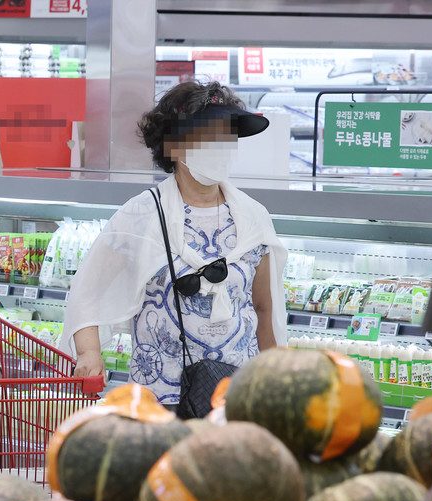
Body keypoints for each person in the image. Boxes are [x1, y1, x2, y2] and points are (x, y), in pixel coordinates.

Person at [60, 81, 288, 406]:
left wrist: (277, 380)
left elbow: (262, 307)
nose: (219, 147)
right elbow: (89, 289)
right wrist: (89, 353)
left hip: (237, 397)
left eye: (226, 137)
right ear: (173, 146)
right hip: (159, 397)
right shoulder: (142, 215)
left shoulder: (253, 217)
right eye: (207, 136)